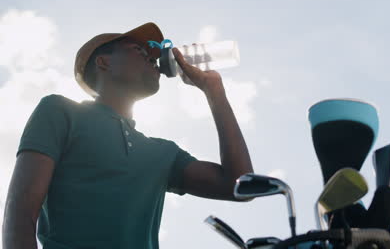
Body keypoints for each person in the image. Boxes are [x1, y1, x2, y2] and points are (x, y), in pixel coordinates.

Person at [2, 22, 254, 249]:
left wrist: (214, 91)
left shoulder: (164, 153)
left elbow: (240, 185)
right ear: (104, 62)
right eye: (139, 50)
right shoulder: (60, 111)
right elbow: (20, 212)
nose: (153, 58)